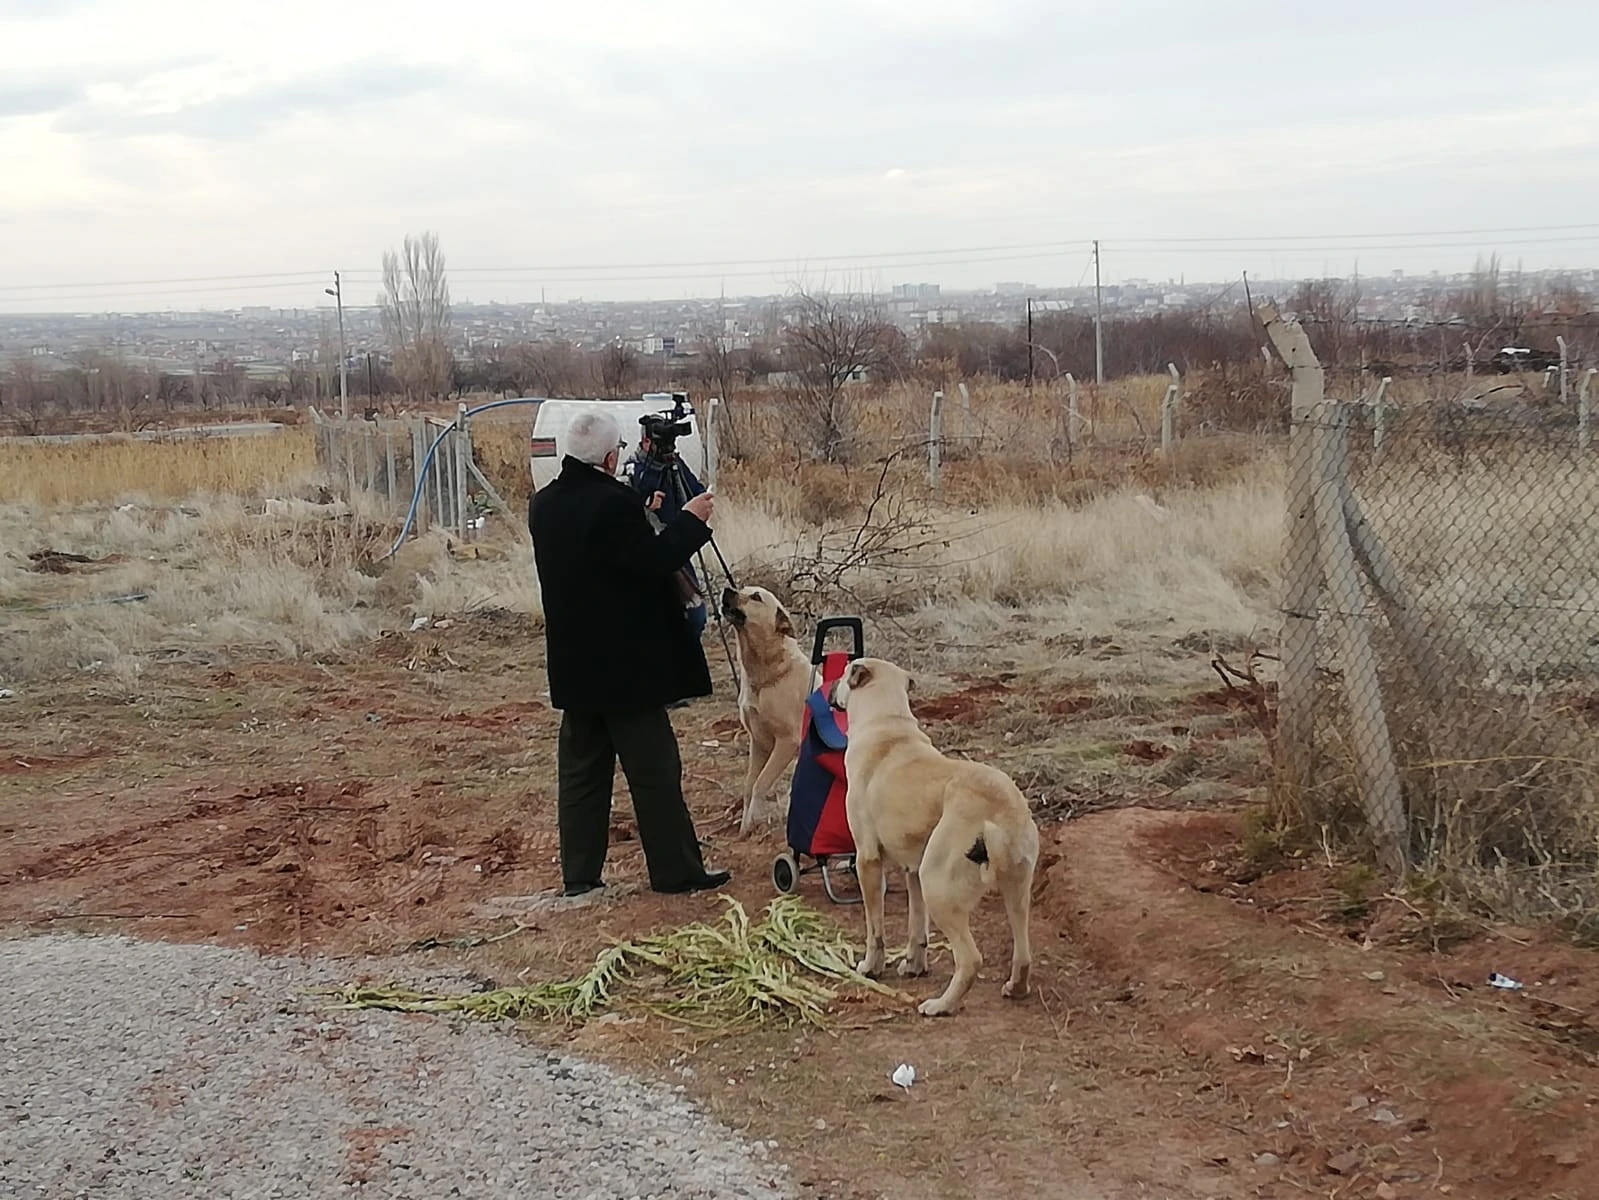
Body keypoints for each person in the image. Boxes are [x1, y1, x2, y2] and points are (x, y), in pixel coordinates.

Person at [527, 409, 732, 898]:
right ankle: (676, 871)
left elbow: (597, 550)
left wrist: (637, 503)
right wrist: (689, 522)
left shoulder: (544, 505)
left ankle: (579, 875)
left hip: (575, 667)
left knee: (581, 775)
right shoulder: (614, 506)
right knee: (655, 773)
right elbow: (651, 561)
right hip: (627, 671)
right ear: (611, 456)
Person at [623, 433, 709, 641]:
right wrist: (645, 503)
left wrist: (698, 509)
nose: (666, 448)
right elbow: (624, 510)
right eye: (660, 443)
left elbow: (696, 490)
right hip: (653, 548)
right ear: (645, 442)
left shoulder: (675, 464)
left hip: (678, 545)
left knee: (696, 613)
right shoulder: (634, 469)